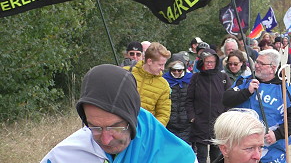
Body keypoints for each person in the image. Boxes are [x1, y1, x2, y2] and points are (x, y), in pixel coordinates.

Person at [41, 64, 196, 163]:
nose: (106, 140)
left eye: (115, 127)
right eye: (94, 127)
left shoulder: (179, 156)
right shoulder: (65, 155)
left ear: (132, 116)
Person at [223, 49, 291, 163]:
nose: (256, 65)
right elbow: (226, 99)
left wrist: (277, 134)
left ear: (273, 67)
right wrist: (247, 92)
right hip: (242, 150)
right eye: (256, 62)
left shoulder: (285, 89)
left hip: (271, 152)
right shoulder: (245, 81)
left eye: (261, 63)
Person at [186, 48, 231, 163]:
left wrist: (225, 116)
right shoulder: (196, 78)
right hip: (200, 122)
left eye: (212, 62)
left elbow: (230, 98)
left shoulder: (223, 77)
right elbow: (189, 99)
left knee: (216, 155)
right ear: (202, 62)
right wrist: (192, 117)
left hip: (218, 122)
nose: (210, 64)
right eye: (207, 62)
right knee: (201, 155)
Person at [124, 42, 171, 126]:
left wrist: (151, 130)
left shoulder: (163, 85)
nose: (163, 68)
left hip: (144, 131)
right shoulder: (125, 73)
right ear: (149, 61)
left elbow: (163, 115)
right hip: (120, 127)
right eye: (160, 64)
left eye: (164, 65)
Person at [163, 53, 193, 144]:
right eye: (174, 70)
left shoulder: (191, 80)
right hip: (169, 124)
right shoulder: (164, 80)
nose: (176, 73)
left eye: (179, 70)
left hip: (187, 124)